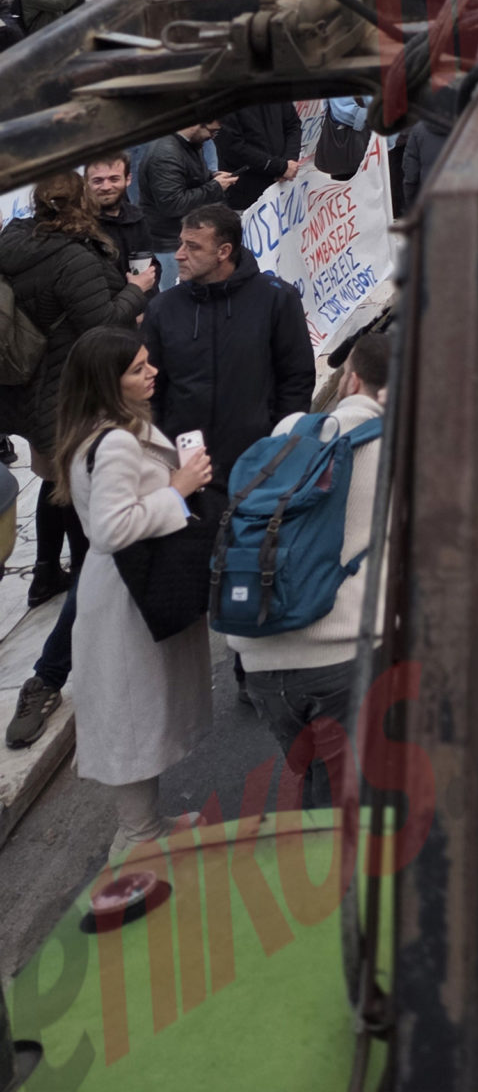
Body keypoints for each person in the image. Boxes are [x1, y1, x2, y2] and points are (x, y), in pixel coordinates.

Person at [52, 327, 213, 860]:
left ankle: (146, 825)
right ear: (108, 381)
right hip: (127, 594)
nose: (152, 373)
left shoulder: (104, 430)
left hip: (127, 588)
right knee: (133, 714)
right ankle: (138, 837)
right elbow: (110, 530)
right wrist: (178, 490)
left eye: (149, 363)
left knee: (140, 710)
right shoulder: (116, 441)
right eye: (138, 368)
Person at [235, 326, 389, 809]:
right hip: (342, 657)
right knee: (344, 798)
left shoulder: (288, 432)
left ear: (349, 380)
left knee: (316, 775)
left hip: (259, 658)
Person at [0, 172, 154, 617]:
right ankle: (88, 575)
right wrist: (135, 292)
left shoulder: (13, 242)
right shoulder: (73, 258)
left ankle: (45, 571)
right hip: (67, 385)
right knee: (74, 482)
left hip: (24, 384)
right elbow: (101, 323)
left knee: (52, 477)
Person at [144, 202, 318, 492]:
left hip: (258, 470)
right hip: (187, 477)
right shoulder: (163, 308)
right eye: (180, 244)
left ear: (223, 252)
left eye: (193, 247)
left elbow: (296, 378)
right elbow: (150, 388)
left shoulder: (277, 300)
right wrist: (163, 454)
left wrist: (278, 447)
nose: (179, 255)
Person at [141, 120, 238, 260]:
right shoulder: (166, 154)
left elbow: (187, 178)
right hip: (169, 245)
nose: (212, 137)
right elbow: (173, 204)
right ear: (195, 124)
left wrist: (211, 177)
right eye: (212, 131)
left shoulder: (190, 143)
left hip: (181, 237)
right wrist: (215, 187)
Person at [216, 100, 303, 215]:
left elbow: (293, 125)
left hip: (283, 189)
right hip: (247, 194)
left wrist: (289, 162)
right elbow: (232, 148)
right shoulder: (226, 99)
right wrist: (280, 167)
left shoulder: (275, 90)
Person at [83, 153, 149, 276]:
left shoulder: (137, 217)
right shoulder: (79, 224)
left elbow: (148, 263)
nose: (106, 187)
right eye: (98, 181)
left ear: (128, 179)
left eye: (114, 179)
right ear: (86, 182)